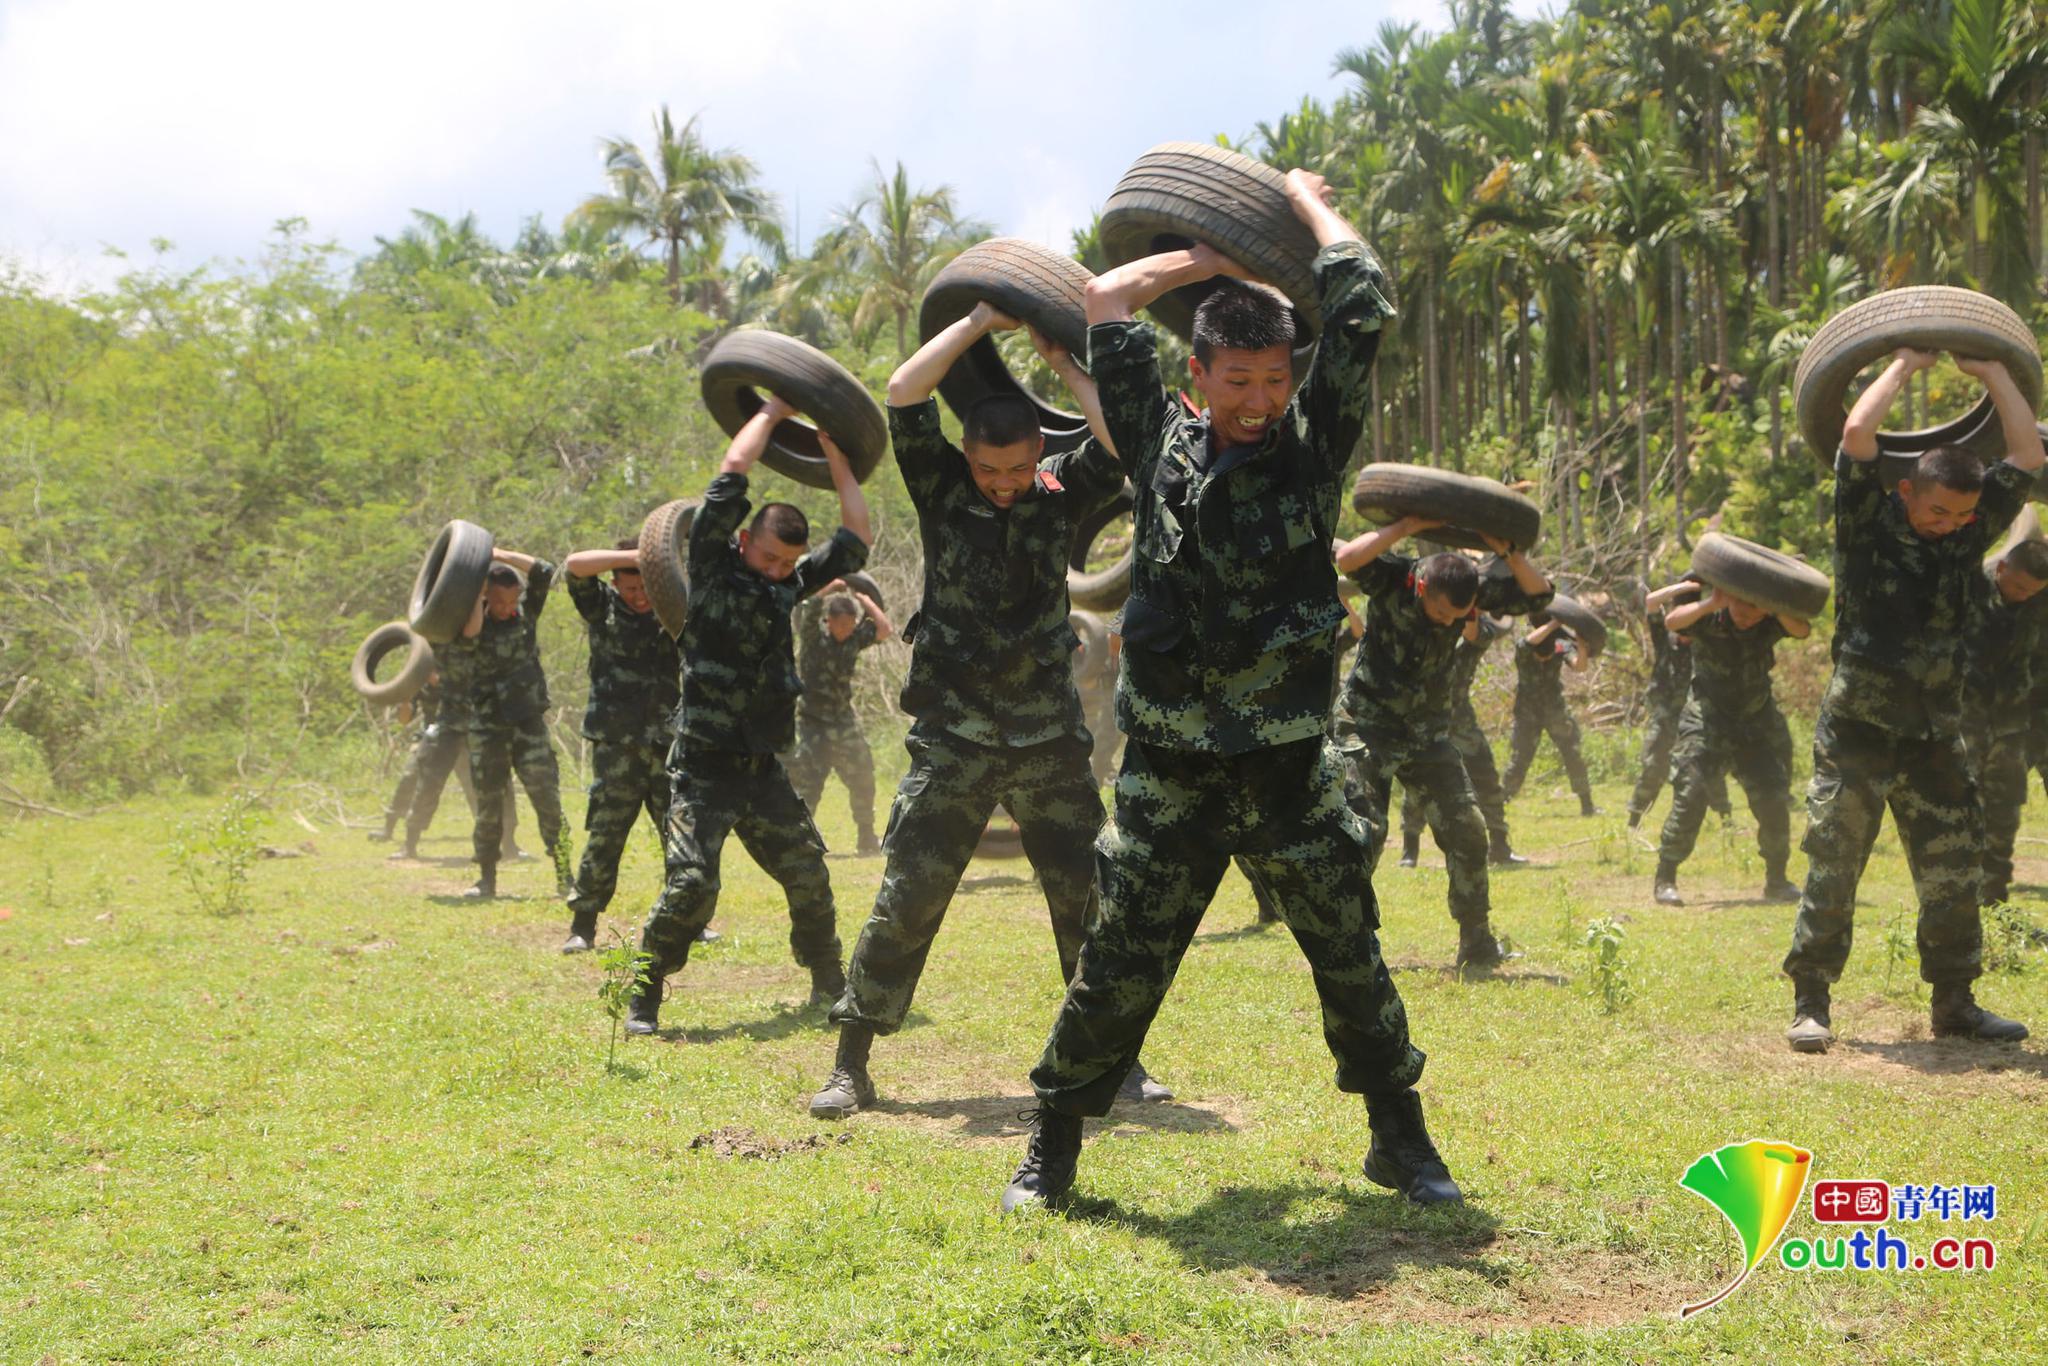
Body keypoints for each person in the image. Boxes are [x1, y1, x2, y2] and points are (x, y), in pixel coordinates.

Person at [1003, 170, 1462, 1213]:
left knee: (1346, 948)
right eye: (1237, 379)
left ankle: (1399, 1138)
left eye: (1273, 379)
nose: (1258, 400)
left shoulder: (1308, 451)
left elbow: (1362, 300)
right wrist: (1206, 256)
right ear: (1198, 371)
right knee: (1120, 959)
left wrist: (1297, 205)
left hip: (1287, 759)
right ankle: (1052, 1148)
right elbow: (1106, 301)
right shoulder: (1153, 441)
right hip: (1167, 762)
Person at [810, 305, 1174, 1121]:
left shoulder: (1059, 493)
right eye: (989, 470)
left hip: (1047, 731)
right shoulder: (941, 487)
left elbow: (1119, 439)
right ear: (966, 457)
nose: (1003, 484)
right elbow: (905, 393)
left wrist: (1063, 361)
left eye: (1016, 470)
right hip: (954, 735)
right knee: (909, 896)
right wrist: (977, 319)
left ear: (1038, 455)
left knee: (1086, 895)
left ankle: (1118, 1061)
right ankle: (850, 1065)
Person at [1782, 348, 2042, 1053]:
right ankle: (1812, 1001)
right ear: (1907, 494)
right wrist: (1904, 361)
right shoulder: (1868, 522)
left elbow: (2023, 449)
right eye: (1938, 511)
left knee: (1955, 869)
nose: (1951, 524)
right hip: (1859, 729)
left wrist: (1993, 374)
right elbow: (1858, 438)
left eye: (1963, 515)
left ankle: (1955, 1005)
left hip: (1933, 733)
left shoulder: (1966, 536)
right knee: (1835, 863)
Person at [622, 399, 871, 1036]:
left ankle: (827, 979)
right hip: (703, 766)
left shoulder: (788, 586)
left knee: (808, 871)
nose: (777, 571)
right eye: (767, 559)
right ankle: (643, 996)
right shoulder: (709, 564)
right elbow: (733, 470)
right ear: (743, 542)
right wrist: (776, 406)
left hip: (760, 767)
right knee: (691, 884)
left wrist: (837, 456)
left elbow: (856, 538)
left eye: (788, 564)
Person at [1331, 524, 1553, 967]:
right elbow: (1348, 560)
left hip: (1427, 733)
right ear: (1422, 585)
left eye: (1459, 617)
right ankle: (1344, 947)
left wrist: (1508, 550)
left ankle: (1477, 942)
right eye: (1441, 614)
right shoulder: (1394, 577)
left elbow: (1540, 596)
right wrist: (1407, 525)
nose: (1449, 624)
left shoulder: (1468, 589)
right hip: (1367, 724)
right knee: (1364, 833)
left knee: (1469, 829)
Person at [1648, 583, 1812, 907]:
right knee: (1692, 794)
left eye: (1755, 609)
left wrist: (1775, 604)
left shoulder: (1769, 622)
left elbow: (1803, 629)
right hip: (1707, 722)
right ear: (1730, 598)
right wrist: (1712, 603)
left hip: (1753, 727)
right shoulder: (1711, 618)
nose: (1747, 616)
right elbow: (1672, 622)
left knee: (1773, 800)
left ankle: (1776, 881)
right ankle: (1665, 877)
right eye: (1740, 608)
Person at [558, 537, 683, 954]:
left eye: (646, 587)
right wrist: (638, 557)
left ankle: (690, 919)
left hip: (667, 744)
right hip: (617, 748)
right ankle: (583, 925)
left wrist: (660, 568)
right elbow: (575, 563)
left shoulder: (674, 608)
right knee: (605, 837)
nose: (639, 597)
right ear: (614, 583)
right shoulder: (602, 607)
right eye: (630, 588)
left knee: (680, 836)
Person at [456, 549, 568, 900]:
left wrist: (496, 552)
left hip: (528, 723)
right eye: (498, 601)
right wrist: (477, 584)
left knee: (547, 799)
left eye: (511, 600)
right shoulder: (472, 619)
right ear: (486, 596)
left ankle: (566, 876)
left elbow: (545, 571)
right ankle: (486, 878)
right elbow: (471, 631)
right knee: (489, 804)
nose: (506, 607)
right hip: (488, 726)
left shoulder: (527, 615)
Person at [1398, 609, 1526, 870]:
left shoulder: (1477, 633)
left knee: (1487, 778)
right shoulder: (1425, 636)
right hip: (1427, 718)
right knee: (1418, 786)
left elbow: (1472, 632)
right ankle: (1409, 849)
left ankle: (1500, 845)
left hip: (1461, 719)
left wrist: (1470, 603)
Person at [1962, 538, 2048, 909]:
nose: (2023, 596)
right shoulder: (1970, 588)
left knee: (2005, 805)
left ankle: (1993, 896)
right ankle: (1956, 892)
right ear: (2001, 569)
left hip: (2013, 721)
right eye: (2018, 587)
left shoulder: (2038, 601)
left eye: (2033, 592)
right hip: (1965, 718)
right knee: (1961, 801)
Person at [787, 582, 893, 856]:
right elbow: (806, 608)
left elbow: (884, 629)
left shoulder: (855, 640)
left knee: (862, 777)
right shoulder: (813, 638)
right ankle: (803, 842)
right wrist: (829, 586)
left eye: (850, 623)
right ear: (829, 621)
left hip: (843, 722)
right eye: (840, 623)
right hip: (812, 723)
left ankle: (866, 838)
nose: (845, 629)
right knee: (808, 784)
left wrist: (865, 598)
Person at [1626, 582, 1731, 829]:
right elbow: (1652, 601)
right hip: (1665, 714)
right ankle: (1634, 820)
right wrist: (1685, 586)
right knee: (1654, 765)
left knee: (1708, 764)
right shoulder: (1664, 637)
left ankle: (1726, 819)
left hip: (1697, 714)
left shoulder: (1708, 637)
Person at [1500, 616, 1598, 815]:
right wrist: (1557, 622)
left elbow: (1580, 666)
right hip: (1528, 713)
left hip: (1555, 710)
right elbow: (1528, 641)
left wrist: (1580, 642)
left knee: (1573, 754)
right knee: (1520, 758)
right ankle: (1500, 804)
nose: (1544, 659)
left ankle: (1587, 806)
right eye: (1541, 657)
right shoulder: (1525, 648)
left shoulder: (1560, 646)